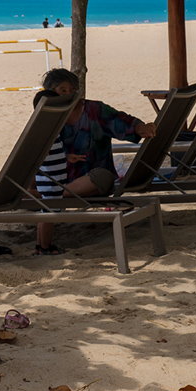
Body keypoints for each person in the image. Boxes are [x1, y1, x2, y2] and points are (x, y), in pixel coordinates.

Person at [32, 68, 154, 255]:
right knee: (27, 173)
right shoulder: (47, 116)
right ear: (49, 93)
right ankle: (46, 195)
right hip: (54, 179)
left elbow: (123, 121)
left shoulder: (94, 110)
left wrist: (140, 127)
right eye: (62, 90)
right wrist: (66, 157)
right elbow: (36, 151)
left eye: (73, 89)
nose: (69, 93)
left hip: (90, 180)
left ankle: (46, 195)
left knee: (103, 176)